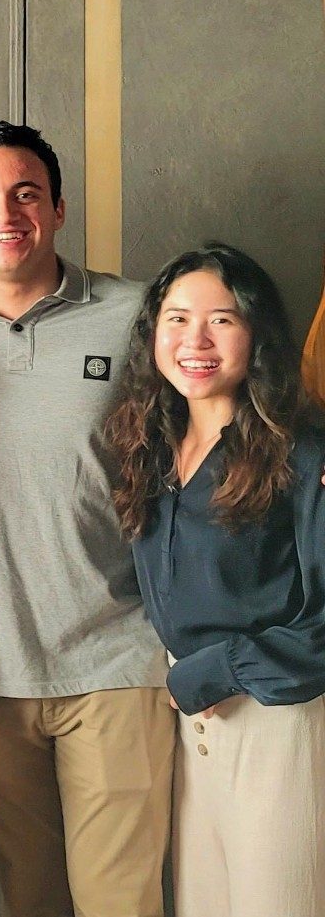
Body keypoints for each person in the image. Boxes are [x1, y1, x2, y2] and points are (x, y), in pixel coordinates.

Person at [0, 121, 173, 917]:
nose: (5, 212)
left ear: (57, 207)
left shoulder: (136, 315)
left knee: (119, 902)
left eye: (26, 193)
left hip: (118, 661)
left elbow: (211, 440)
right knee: (34, 901)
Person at [106, 243, 325, 917]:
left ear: (256, 333)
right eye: (176, 318)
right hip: (187, 731)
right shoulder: (148, 445)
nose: (195, 339)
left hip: (275, 719)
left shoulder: (303, 451)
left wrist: (218, 668)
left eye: (222, 320)